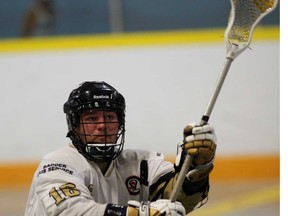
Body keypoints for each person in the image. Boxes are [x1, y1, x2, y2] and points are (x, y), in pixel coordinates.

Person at [24, 81, 217, 216]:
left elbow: (176, 198)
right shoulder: (57, 164)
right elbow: (72, 212)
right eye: (91, 118)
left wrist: (196, 168)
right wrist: (139, 213)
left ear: (120, 123)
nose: (103, 125)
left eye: (109, 118)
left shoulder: (141, 162)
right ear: (74, 125)